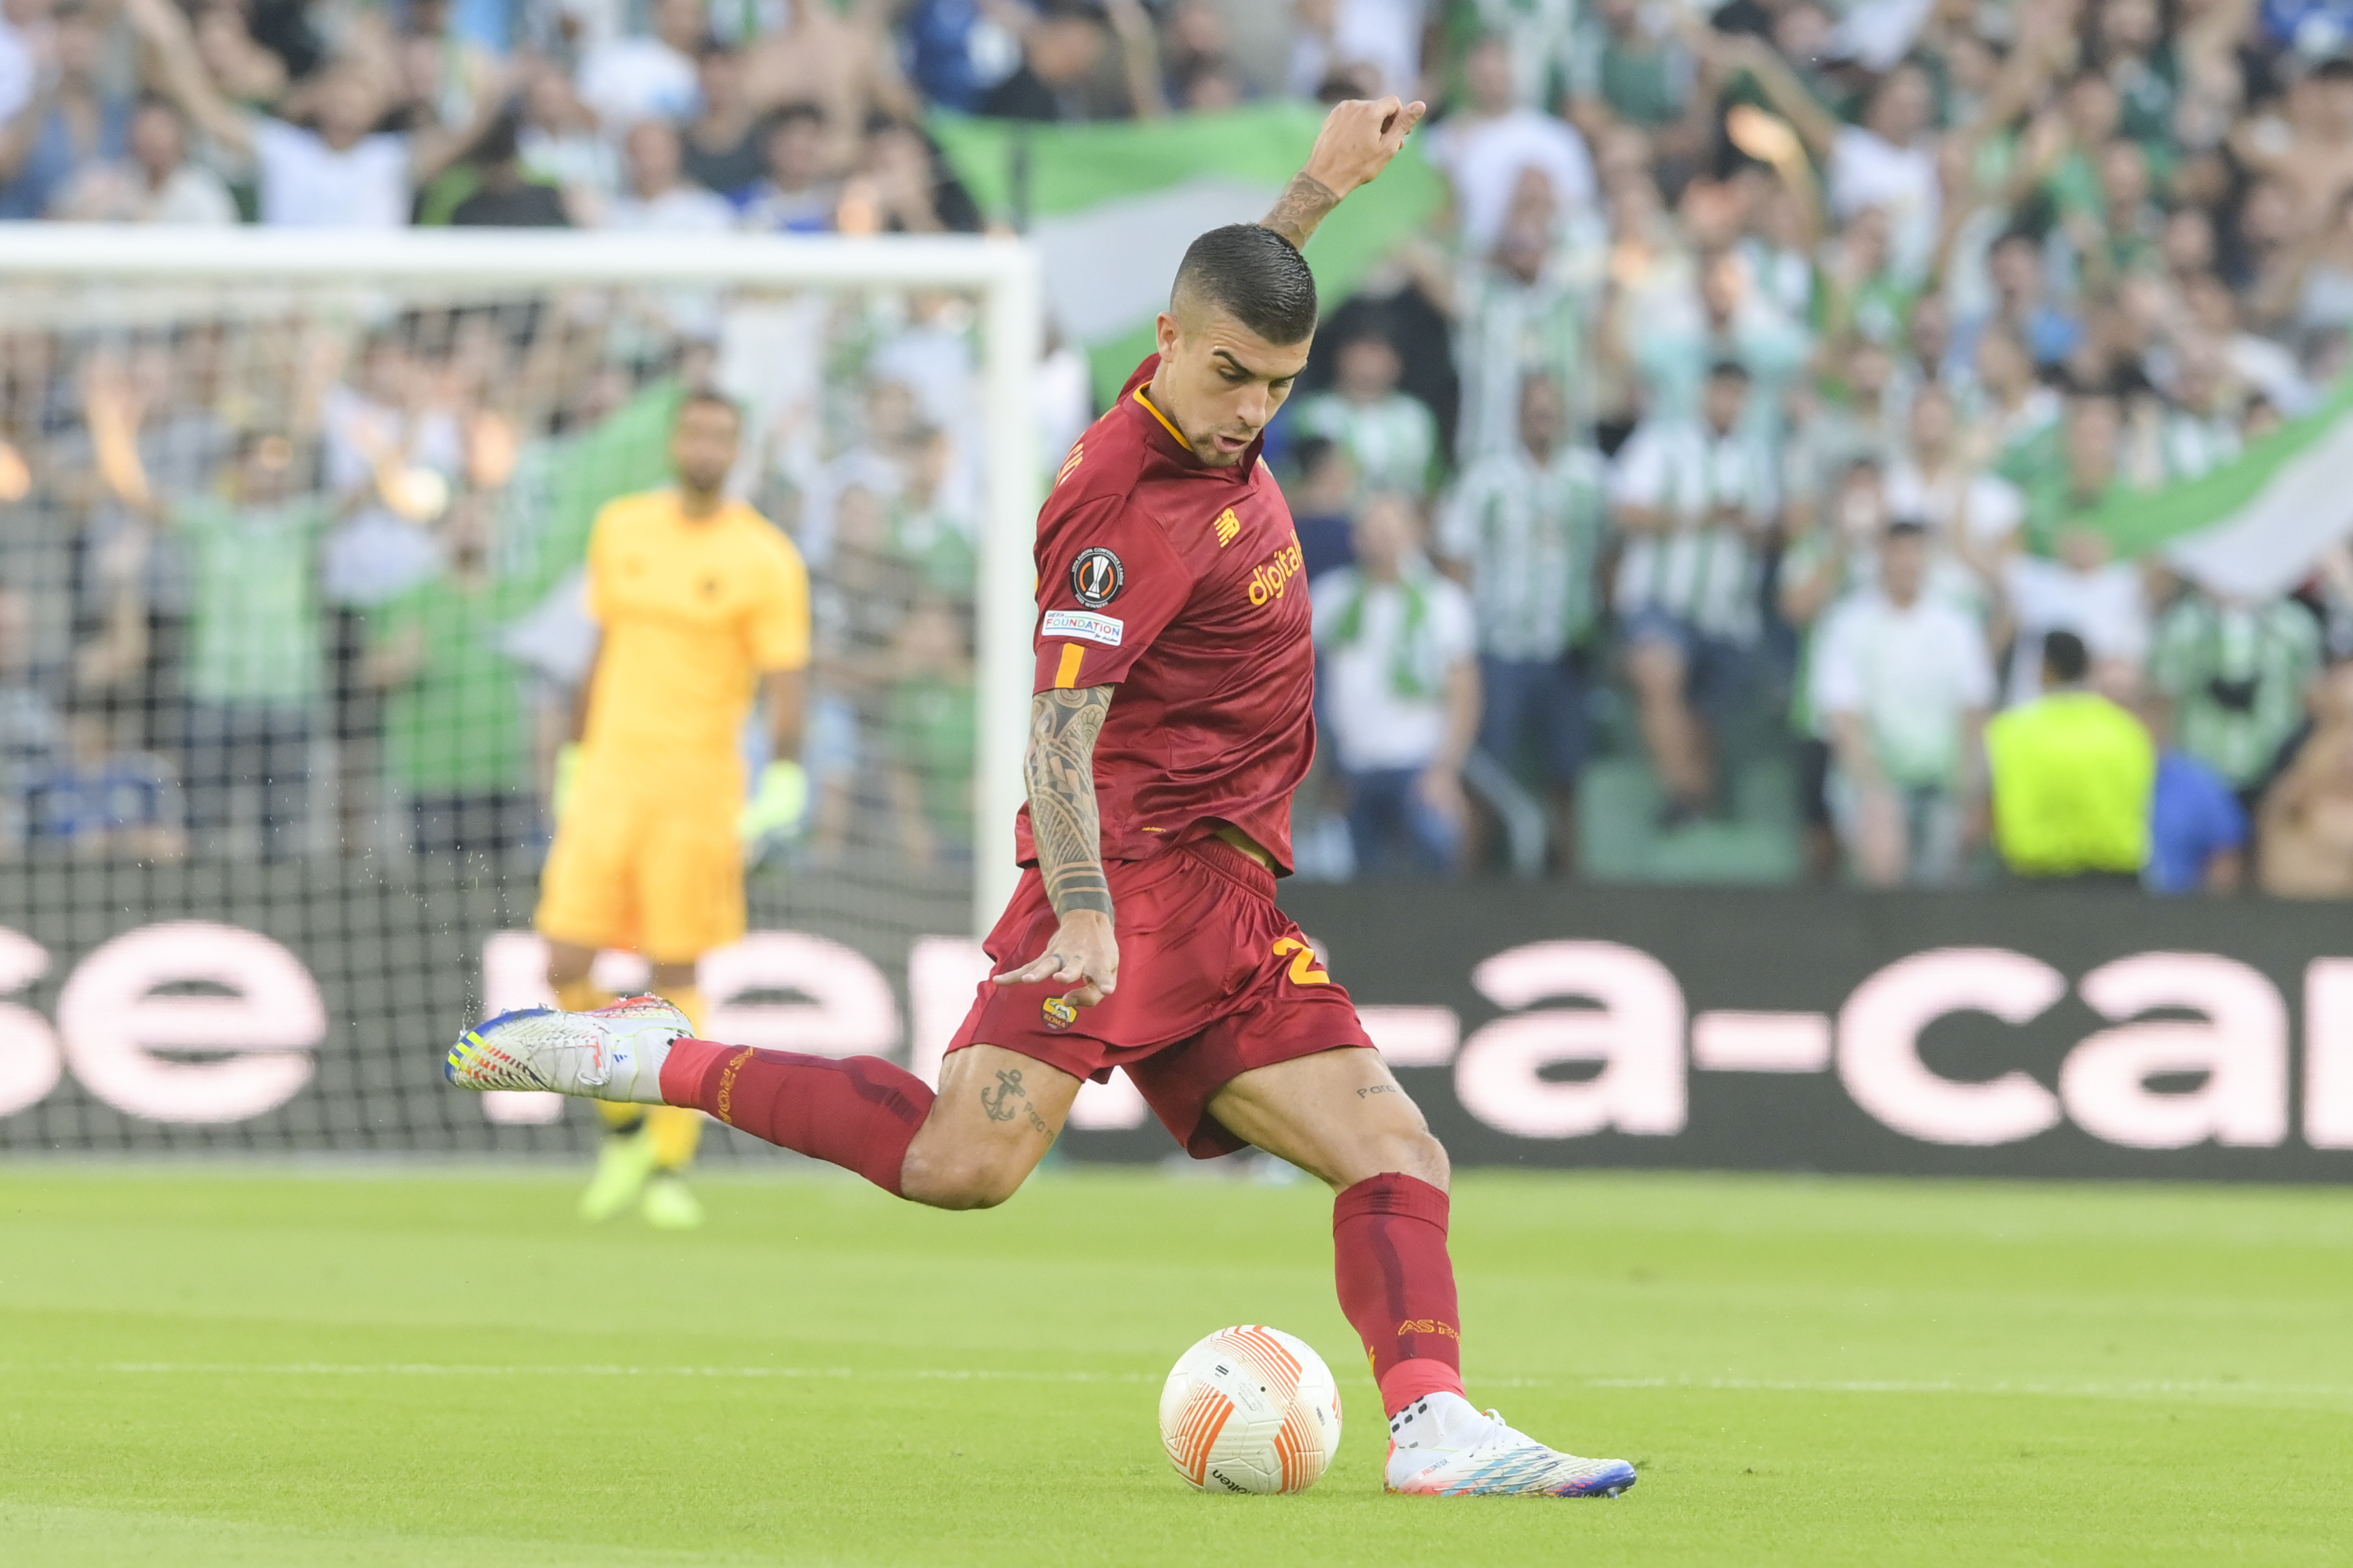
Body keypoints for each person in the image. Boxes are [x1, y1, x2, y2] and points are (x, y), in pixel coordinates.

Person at [449, 98, 1639, 1499]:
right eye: (1233, 380)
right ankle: (657, 1057)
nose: (1252, 410)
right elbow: (1056, 731)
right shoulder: (1123, 515)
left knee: (1395, 1150)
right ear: (1168, 353)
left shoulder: (1207, 371)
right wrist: (1080, 911)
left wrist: (1312, 193)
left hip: (1230, 894)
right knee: (959, 1167)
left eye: (1276, 383)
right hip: (1128, 884)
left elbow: (1235, 285)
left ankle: (1431, 1423)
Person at [531, 391, 811, 1231]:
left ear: (739, 450)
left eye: (722, 434)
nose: (705, 444)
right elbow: (601, 646)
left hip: (697, 790)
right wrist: (576, 752)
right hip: (612, 776)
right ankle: (621, 1129)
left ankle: (666, 1167)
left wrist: (787, 774)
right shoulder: (622, 528)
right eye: (694, 430)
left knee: (675, 975)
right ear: (673, 440)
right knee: (562, 958)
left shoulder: (765, 558)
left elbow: (785, 680)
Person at [1435, 373, 1607, 874]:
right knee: (1490, 765)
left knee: (1567, 771)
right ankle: (1471, 871)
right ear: (1515, 417)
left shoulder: (1589, 478)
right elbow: (1455, 555)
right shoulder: (1485, 480)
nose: (1542, 420)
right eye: (1534, 411)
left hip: (1565, 644)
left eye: (1550, 411)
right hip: (1499, 643)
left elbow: (1608, 553)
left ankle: (1566, 876)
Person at [1610, 359, 1776, 827]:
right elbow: (1625, 511)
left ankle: (1697, 803)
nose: (1727, 403)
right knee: (1658, 673)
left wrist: (1747, 526)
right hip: (1662, 596)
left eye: (1736, 395)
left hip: (1725, 612)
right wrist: (1699, 517)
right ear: (1703, 394)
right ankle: (1679, 791)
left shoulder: (1755, 457)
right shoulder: (1660, 446)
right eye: (1720, 392)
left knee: (1705, 722)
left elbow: (1768, 530)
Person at [1809, 519, 1996, 887]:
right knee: (1881, 842)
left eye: (1915, 552)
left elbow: (1974, 711)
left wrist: (1971, 787)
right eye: (1897, 552)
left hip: (1943, 779)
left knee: (1947, 869)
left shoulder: (1957, 625)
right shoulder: (1847, 624)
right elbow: (1843, 718)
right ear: (1880, 557)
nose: (1906, 563)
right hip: (1873, 778)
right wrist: (1874, 789)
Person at [1311, 492, 1479, 876]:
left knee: (1436, 849)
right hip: (1352, 764)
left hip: (1418, 764)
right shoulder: (1331, 598)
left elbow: (1465, 694)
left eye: (1392, 530)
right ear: (1357, 539)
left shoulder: (1443, 603)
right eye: (1373, 530)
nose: (1383, 540)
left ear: (1416, 534)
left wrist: (1445, 769)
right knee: (1347, 873)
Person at [1983, 630, 2155, 885]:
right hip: (2115, 881)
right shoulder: (2127, 732)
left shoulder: (2009, 732)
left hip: (2034, 880)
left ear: (2045, 668)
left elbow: (1989, 804)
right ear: (2087, 667)